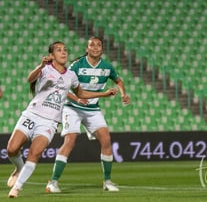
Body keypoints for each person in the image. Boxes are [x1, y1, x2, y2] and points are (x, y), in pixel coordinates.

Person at [6, 41, 117, 198]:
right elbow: (29, 79)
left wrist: (103, 94)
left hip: (50, 122)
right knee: (11, 149)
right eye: (59, 50)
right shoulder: (45, 69)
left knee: (34, 153)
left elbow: (81, 93)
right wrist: (40, 66)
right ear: (52, 55)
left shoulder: (71, 76)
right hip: (32, 114)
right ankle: (18, 168)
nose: (63, 52)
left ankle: (17, 188)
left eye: (65, 50)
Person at [45, 36, 131, 193]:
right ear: (87, 49)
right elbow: (63, 85)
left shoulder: (106, 67)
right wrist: (77, 98)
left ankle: (107, 181)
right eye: (92, 45)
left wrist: (123, 94)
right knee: (70, 140)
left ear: (102, 49)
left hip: (92, 109)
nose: (96, 47)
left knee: (106, 139)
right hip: (72, 107)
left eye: (99, 45)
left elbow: (118, 81)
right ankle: (53, 182)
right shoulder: (77, 65)